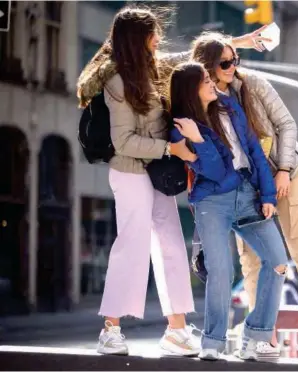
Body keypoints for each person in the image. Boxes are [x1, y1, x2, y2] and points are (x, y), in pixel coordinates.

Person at [76, 6, 271, 356]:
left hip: (157, 171)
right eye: (153, 34)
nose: (158, 39)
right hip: (130, 169)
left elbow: (188, 57)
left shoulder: (152, 68)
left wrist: (238, 41)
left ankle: (177, 330)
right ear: (138, 39)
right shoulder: (118, 80)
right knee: (132, 244)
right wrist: (172, 148)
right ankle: (111, 328)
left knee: (170, 244)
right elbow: (123, 142)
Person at [190, 33, 298, 363]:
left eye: (235, 60)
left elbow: (286, 124)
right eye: (225, 62)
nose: (233, 68)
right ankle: (263, 337)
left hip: (290, 173)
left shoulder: (252, 84)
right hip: (249, 186)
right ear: (207, 66)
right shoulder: (201, 100)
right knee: (252, 261)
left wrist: (284, 169)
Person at [168, 61, 288, 362]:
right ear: (190, 89)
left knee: (277, 262)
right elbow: (216, 172)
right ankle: (213, 341)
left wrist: (267, 193)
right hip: (212, 202)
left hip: (248, 195)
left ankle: (255, 337)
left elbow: (254, 152)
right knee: (221, 271)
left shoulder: (229, 106)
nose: (212, 83)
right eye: (205, 80)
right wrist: (196, 138)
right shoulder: (181, 127)